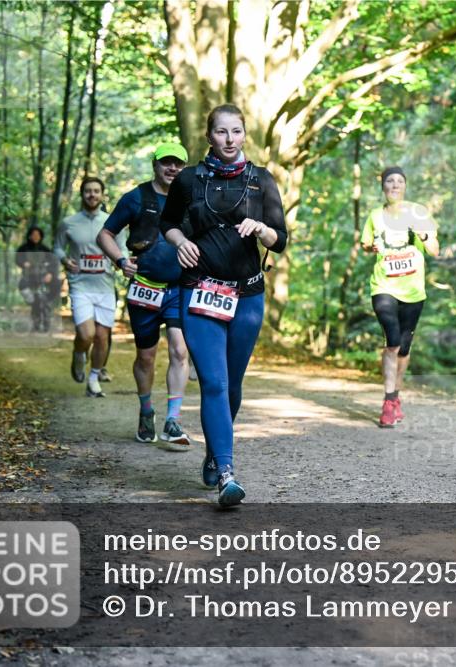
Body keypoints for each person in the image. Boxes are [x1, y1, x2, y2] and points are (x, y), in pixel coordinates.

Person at [159, 103, 287, 506]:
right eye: (221, 133)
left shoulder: (261, 181)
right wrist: (181, 243)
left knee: (231, 384)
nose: (229, 140)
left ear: (245, 134)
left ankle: (215, 452)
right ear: (208, 136)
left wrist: (262, 228)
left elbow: (281, 239)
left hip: (247, 297)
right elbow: (168, 224)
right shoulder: (189, 180)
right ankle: (227, 475)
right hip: (200, 291)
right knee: (213, 381)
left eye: (235, 132)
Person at [97, 143, 191, 450]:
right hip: (144, 288)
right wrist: (121, 261)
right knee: (146, 356)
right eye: (167, 162)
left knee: (180, 351)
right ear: (155, 164)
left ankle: (173, 419)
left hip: (178, 289)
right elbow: (105, 234)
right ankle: (146, 410)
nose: (172, 169)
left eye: (178, 164)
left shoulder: (191, 199)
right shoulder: (136, 198)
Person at [360, 166, 439, 427]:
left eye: (399, 181)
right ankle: (387, 399)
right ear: (383, 186)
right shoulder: (375, 215)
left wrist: (423, 234)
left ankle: (395, 398)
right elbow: (365, 244)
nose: (394, 185)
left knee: (404, 348)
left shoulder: (418, 213)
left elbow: (435, 250)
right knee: (392, 341)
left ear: (405, 186)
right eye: (389, 181)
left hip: (413, 290)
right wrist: (370, 246)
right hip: (383, 287)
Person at [53, 176, 119, 398]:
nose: (92, 195)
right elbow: (58, 248)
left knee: (102, 337)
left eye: (96, 191)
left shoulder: (112, 222)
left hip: (105, 285)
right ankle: (79, 353)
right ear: (82, 194)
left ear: (102, 195)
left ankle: (93, 380)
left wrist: (121, 262)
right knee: (87, 333)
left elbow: (123, 251)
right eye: (88, 191)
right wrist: (65, 260)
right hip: (80, 285)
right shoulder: (69, 222)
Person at [15, 225, 57, 332]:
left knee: (43, 301)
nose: (35, 237)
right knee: (34, 301)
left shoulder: (45, 249)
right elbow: (17, 259)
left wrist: (50, 274)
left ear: (41, 236)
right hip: (28, 278)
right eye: (33, 235)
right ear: (29, 236)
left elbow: (53, 263)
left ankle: (45, 324)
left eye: (38, 235)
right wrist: (24, 263)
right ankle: (36, 324)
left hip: (43, 280)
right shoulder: (23, 248)